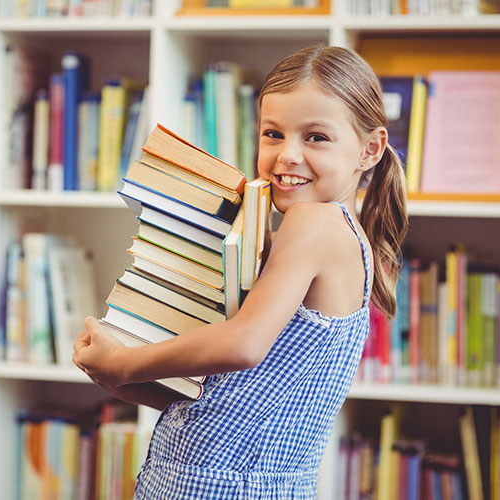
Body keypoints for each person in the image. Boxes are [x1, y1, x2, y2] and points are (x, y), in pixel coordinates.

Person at [72, 43, 408, 498]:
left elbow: (243, 345)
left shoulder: (314, 224)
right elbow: (240, 398)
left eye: (316, 137)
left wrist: (125, 361)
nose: (287, 154)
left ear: (370, 149)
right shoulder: (333, 235)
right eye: (273, 134)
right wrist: (128, 382)